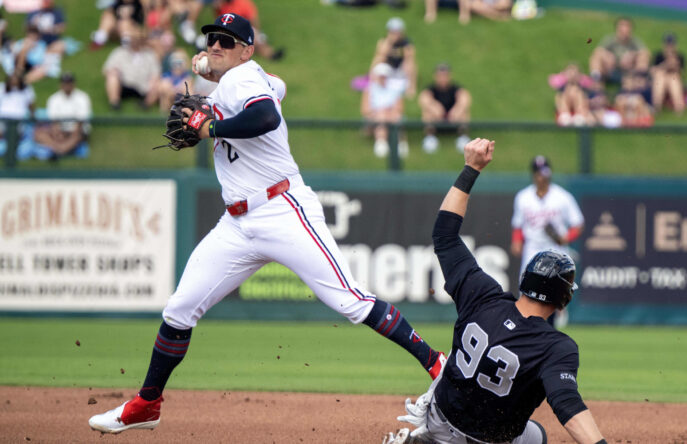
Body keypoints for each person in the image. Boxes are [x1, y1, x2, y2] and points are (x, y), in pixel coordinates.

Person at [88, 13, 445, 435]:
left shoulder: (241, 80)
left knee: (352, 301)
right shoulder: (246, 78)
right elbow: (278, 87)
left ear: (247, 49)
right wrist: (215, 73)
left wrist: (211, 126)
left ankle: (438, 364)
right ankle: (147, 404)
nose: (216, 45)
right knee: (179, 309)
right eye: (212, 39)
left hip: (282, 209)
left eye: (226, 40)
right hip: (237, 224)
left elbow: (266, 118)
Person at [382, 138, 606, 444]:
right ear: (563, 299)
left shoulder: (481, 294)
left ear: (525, 279)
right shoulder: (557, 347)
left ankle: (424, 439)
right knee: (537, 435)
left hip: (438, 415)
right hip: (483, 440)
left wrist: (470, 168)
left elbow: (444, 235)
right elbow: (568, 406)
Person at [511, 155, 584, 327]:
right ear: (534, 175)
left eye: (544, 173)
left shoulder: (562, 197)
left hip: (556, 250)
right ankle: (527, 326)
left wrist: (567, 237)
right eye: (538, 173)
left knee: (553, 292)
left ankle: (551, 324)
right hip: (532, 249)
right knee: (526, 290)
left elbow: (578, 224)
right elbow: (518, 225)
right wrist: (516, 241)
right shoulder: (523, 197)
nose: (542, 177)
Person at [33, 71, 92, 157]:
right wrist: (57, 133)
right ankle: (59, 148)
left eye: (69, 83)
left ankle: (59, 150)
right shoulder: (53, 99)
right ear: (60, 85)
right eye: (65, 83)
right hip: (60, 130)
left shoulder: (83, 97)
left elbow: (80, 122)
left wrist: (71, 133)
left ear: (73, 84)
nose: (67, 86)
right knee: (38, 133)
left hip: (76, 130)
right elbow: (54, 121)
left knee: (77, 136)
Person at [102, 28, 160, 110]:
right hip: (124, 84)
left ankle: (146, 104)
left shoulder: (150, 54)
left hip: (143, 86)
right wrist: (114, 71)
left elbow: (156, 73)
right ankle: (114, 102)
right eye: (133, 39)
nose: (135, 41)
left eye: (138, 39)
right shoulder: (119, 52)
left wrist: (153, 80)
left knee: (157, 81)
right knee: (112, 76)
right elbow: (107, 69)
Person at [418, 63, 471, 153]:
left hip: (454, 118)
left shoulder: (455, 89)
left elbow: (465, 97)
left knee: (464, 112)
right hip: (437, 119)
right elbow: (423, 98)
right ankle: (430, 138)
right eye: (440, 75)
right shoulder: (431, 89)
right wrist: (433, 106)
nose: (442, 78)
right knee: (427, 112)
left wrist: (457, 110)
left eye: (445, 75)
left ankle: (463, 137)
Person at [361, 62, 406, 158]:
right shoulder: (369, 89)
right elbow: (365, 110)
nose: (383, 78)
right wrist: (380, 112)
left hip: (391, 115)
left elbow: (400, 109)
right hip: (375, 116)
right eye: (381, 76)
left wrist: (387, 111)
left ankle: (396, 142)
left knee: (391, 114)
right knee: (382, 114)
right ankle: (382, 141)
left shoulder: (395, 89)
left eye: (384, 76)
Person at [588, 17, 649, 84]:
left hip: (629, 72)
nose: (624, 30)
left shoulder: (635, 42)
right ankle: (596, 80)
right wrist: (608, 56)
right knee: (597, 56)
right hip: (611, 70)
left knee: (643, 57)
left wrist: (632, 56)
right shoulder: (610, 40)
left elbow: (645, 52)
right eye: (622, 27)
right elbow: (598, 51)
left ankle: (639, 80)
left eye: (627, 27)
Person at [370, 17, 416, 98]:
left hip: (400, 70)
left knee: (409, 63)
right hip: (387, 69)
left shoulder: (406, 43)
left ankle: (411, 87)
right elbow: (381, 55)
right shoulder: (383, 41)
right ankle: (372, 82)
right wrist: (390, 42)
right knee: (379, 58)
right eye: (393, 32)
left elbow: (410, 59)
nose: (395, 35)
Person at [651, 32, 686, 115]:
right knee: (661, 76)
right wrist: (665, 65)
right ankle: (657, 106)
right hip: (659, 79)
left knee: (672, 78)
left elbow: (681, 73)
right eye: (668, 45)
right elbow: (653, 71)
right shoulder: (658, 56)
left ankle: (679, 107)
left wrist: (674, 65)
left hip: (673, 79)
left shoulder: (679, 56)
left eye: (671, 45)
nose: (669, 47)